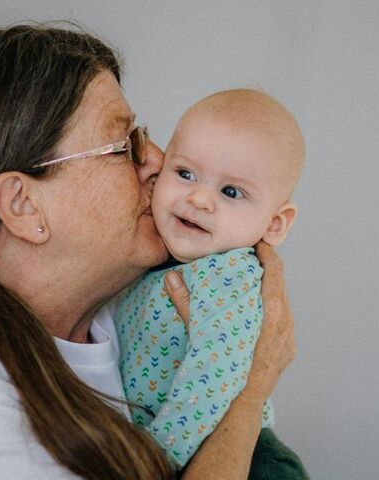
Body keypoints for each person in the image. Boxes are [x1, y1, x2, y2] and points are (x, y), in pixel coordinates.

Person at [0, 25, 297, 480]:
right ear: (24, 205)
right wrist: (249, 395)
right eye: (124, 145)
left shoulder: (131, 317)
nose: (159, 161)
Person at [115, 90, 306, 472]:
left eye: (231, 191)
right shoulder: (158, 255)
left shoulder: (231, 275)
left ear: (274, 224)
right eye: (185, 174)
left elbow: (213, 377)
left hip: (241, 457)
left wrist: (154, 456)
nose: (199, 198)